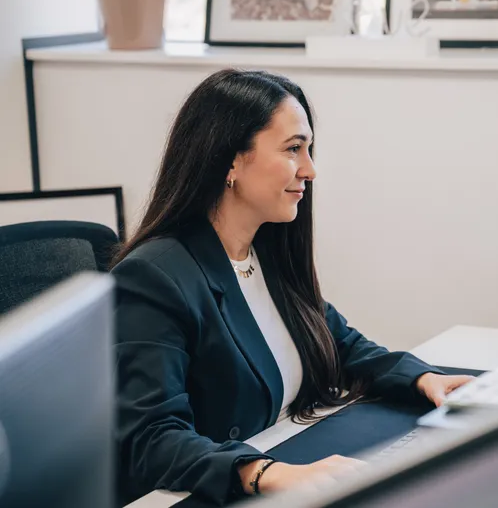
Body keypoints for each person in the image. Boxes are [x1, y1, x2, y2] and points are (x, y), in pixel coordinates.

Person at [111, 69, 473, 506]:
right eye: (293, 149)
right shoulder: (154, 276)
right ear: (230, 160)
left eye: (309, 149)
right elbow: (152, 439)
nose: (310, 169)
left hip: (291, 458)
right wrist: (265, 473)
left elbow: (341, 346)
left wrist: (422, 378)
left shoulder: (266, 248)